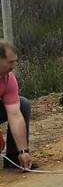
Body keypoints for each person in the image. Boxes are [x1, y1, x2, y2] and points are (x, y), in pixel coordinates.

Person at [0, 41, 36, 171]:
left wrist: (23, 151)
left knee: (23, 104)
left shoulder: (8, 79)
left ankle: (14, 157)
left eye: (15, 61)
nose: (14, 66)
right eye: (10, 62)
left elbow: (15, 115)